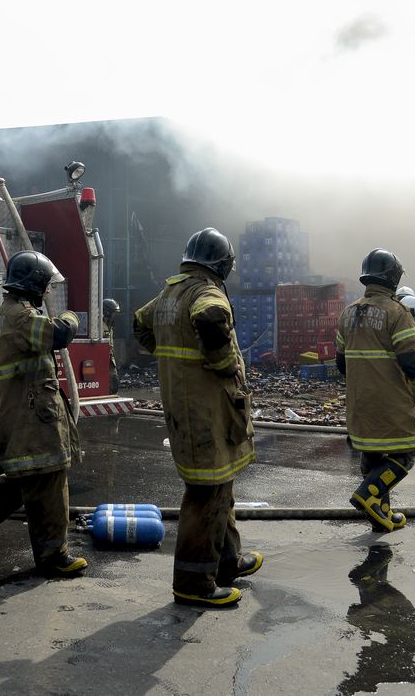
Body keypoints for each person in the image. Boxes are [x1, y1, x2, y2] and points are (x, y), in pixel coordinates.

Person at [133, 227, 262, 608]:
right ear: (223, 264)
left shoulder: (171, 291)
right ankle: (193, 583)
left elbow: (142, 323)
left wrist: (171, 356)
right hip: (204, 410)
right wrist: (223, 363)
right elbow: (210, 316)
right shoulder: (206, 290)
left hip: (189, 406)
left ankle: (227, 561)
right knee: (206, 492)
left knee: (221, 486)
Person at [0, 250, 88, 578]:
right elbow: (59, 335)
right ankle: (53, 556)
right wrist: (72, 316)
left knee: (31, 477)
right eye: (46, 285)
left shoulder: (14, 311)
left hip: (31, 412)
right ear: (35, 284)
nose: (48, 291)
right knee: (52, 482)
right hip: (33, 417)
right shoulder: (20, 316)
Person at [335, 249, 415, 533]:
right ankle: (368, 494)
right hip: (391, 401)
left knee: (373, 455)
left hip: (359, 403)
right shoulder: (397, 313)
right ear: (393, 278)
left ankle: (381, 514)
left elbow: (340, 362)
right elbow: (412, 362)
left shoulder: (347, 314)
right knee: (409, 448)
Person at [102, 298, 121, 394]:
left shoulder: (110, 325)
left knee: (114, 383)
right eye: (114, 313)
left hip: (110, 359)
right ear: (107, 312)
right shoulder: (98, 325)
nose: (115, 315)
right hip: (100, 359)